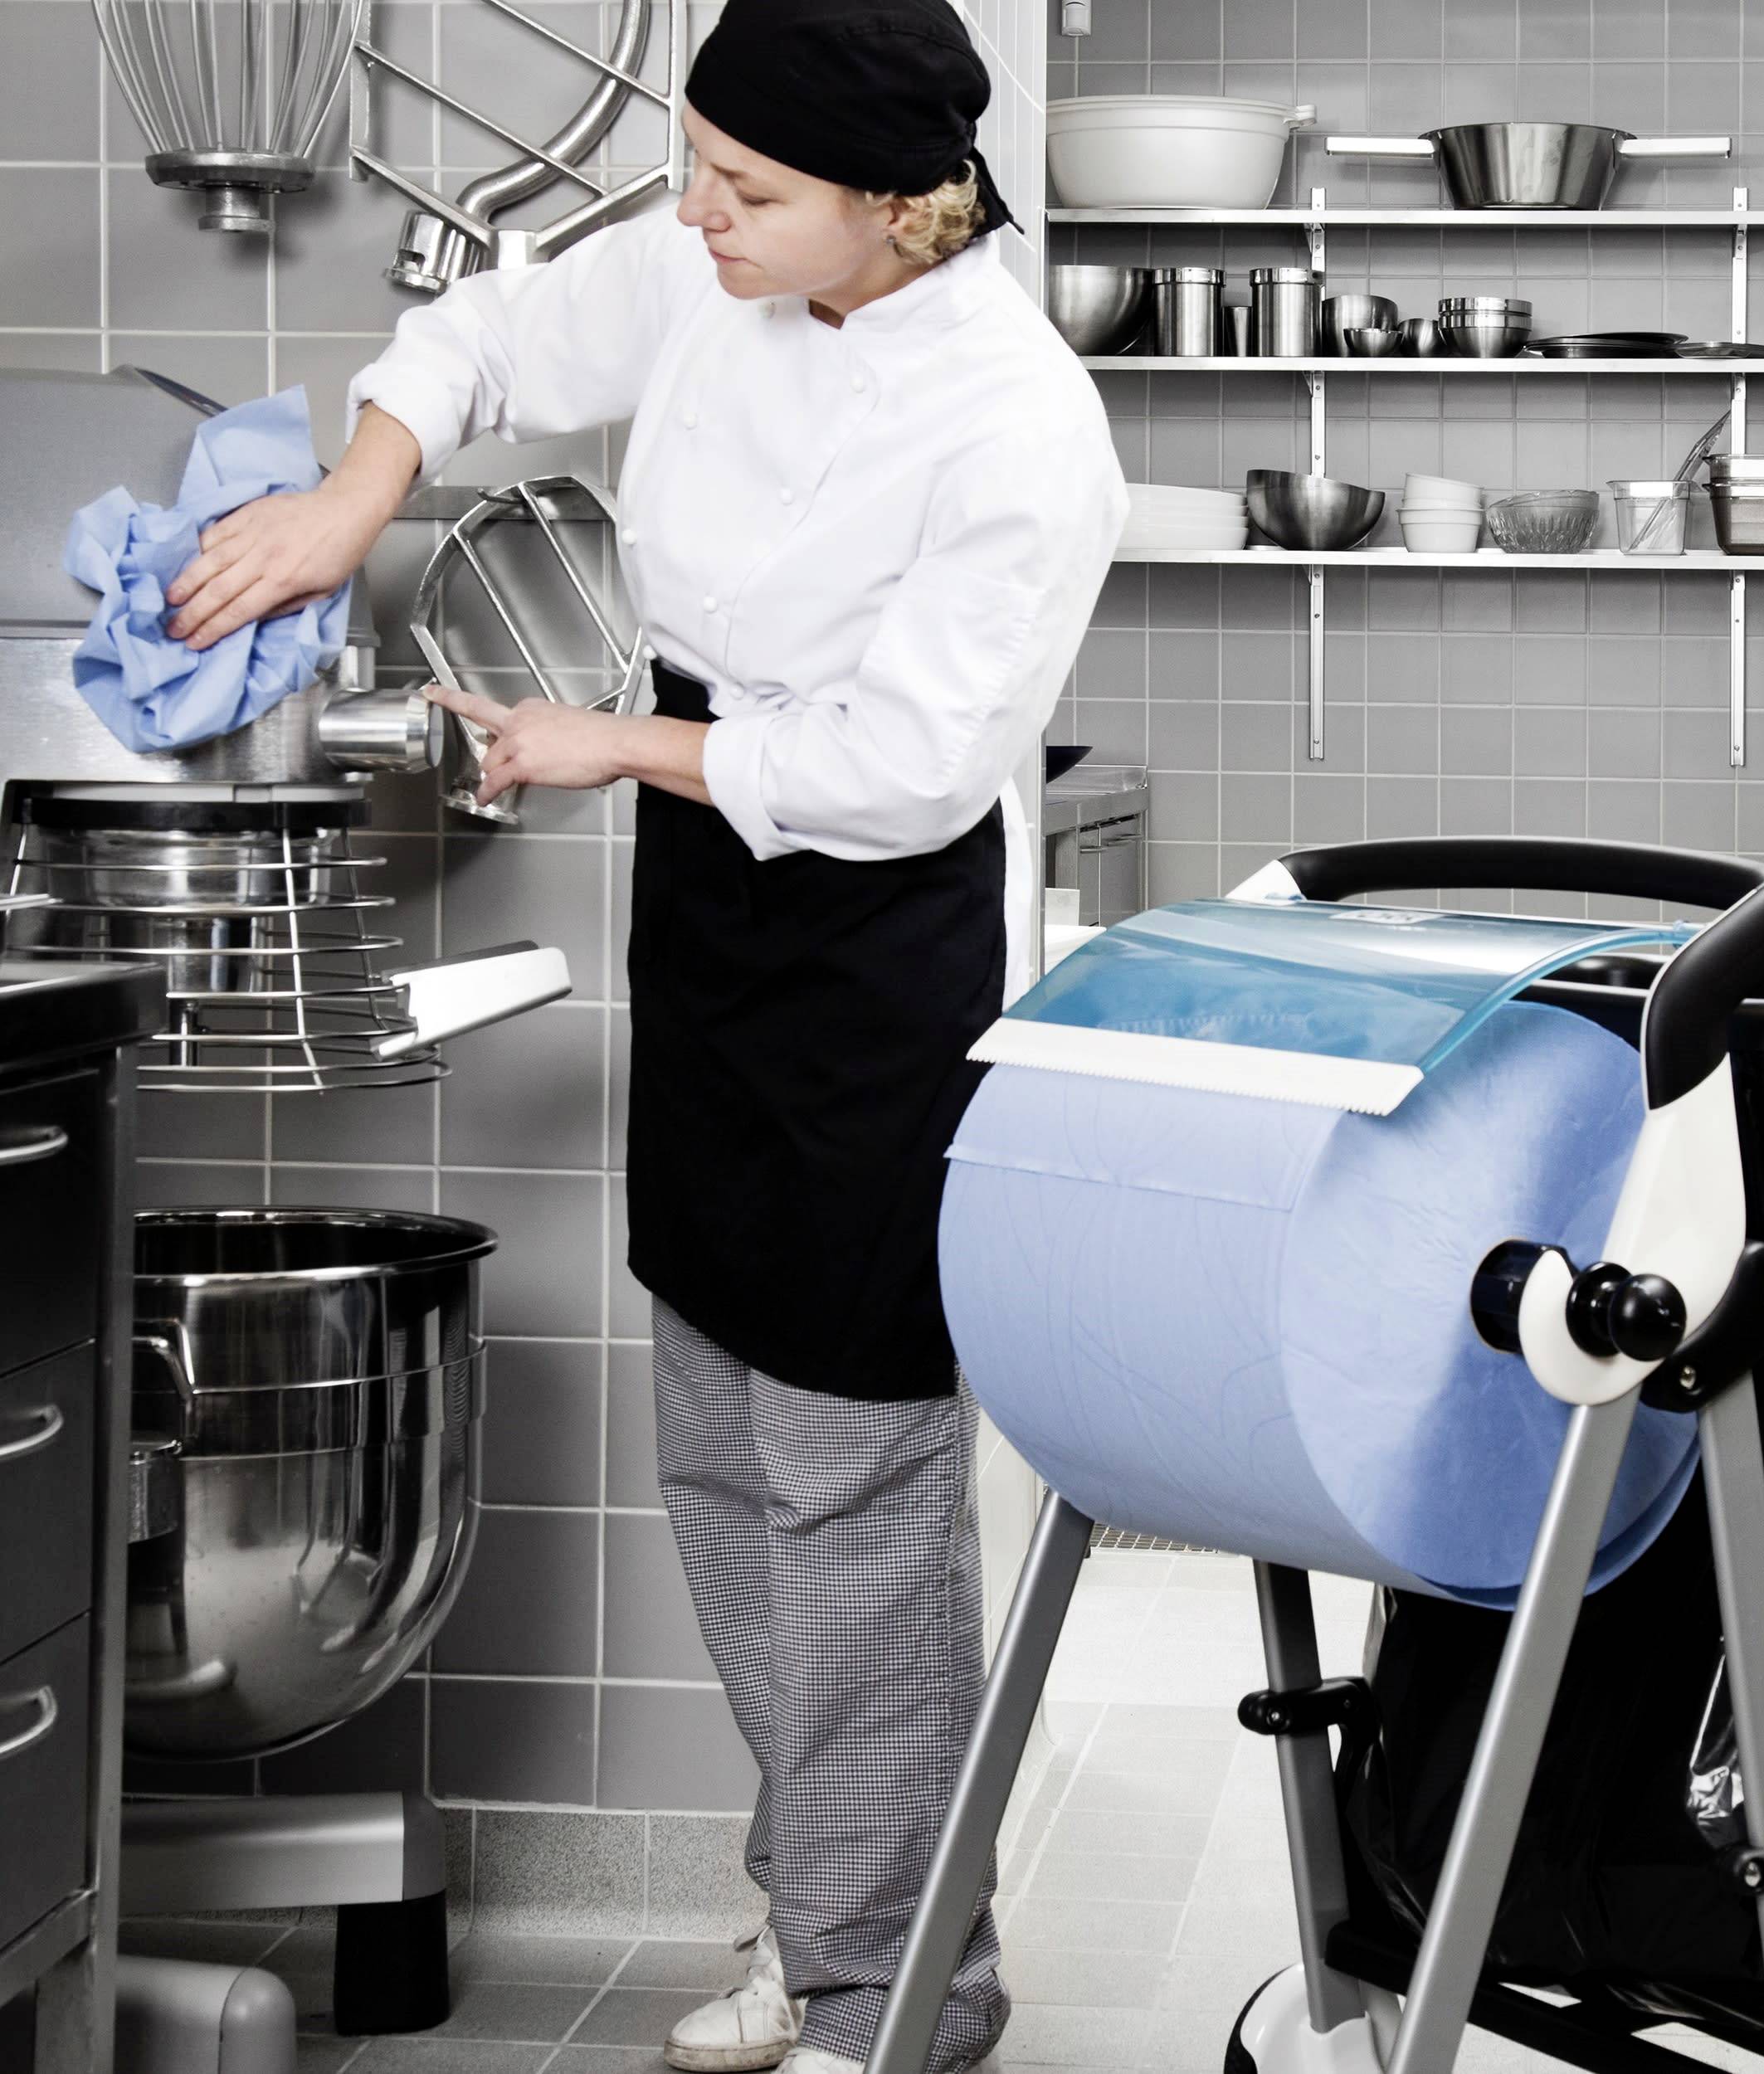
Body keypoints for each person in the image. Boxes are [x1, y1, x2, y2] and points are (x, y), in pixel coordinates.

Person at [161, 3, 1128, 2069]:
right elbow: (491, 339)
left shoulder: (1020, 421)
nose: (691, 211)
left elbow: (902, 765)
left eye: (746, 189)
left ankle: (898, 1994)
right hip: (706, 906)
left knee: (846, 1480)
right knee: (717, 1447)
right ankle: (828, 1910)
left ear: (904, 204)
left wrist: (613, 739)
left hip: (871, 943)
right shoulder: (710, 271)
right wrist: (355, 492)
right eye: (693, 162)